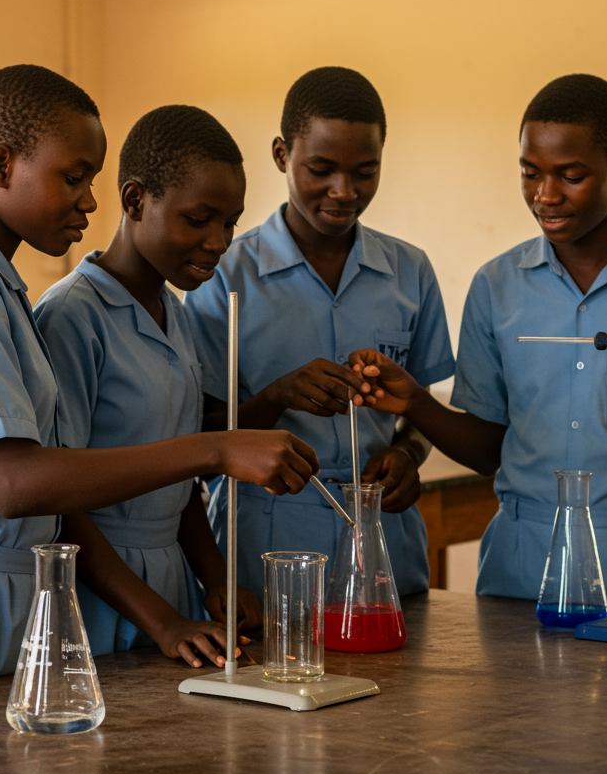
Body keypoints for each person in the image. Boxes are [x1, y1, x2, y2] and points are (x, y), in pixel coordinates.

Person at [0, 66, 317, 712]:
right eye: (74, 176)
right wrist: (215, 450)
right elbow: (17, 483)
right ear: (2, 165)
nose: (89, 199)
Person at [351, 74, 607, 609]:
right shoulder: (496, 286)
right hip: (522, 563)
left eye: (571, 175)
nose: (546, 195)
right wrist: (417, 403)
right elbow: (490, 449)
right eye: (530, 173)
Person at [185, 67, 454, 598]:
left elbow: (420, 410)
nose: (344, 191)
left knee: (399, 677)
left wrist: (407, 455)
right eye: (321, 169)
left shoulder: (409, 271)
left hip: (384, 539)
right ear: (283, 155)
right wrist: (278, 396)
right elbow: (201, 430)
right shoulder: (224, 273)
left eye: (365, 172)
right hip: (267, 535)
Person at [35, 105, 262, 668]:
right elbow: (58, 504)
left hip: (172, 581)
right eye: (199, 219)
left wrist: (216, 581)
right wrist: (163, 621)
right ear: (136, 201)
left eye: (230, 223)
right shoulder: (71, 317)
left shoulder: (176, 313)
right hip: (101, 585)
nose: (219, 241)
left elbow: (182, 480)